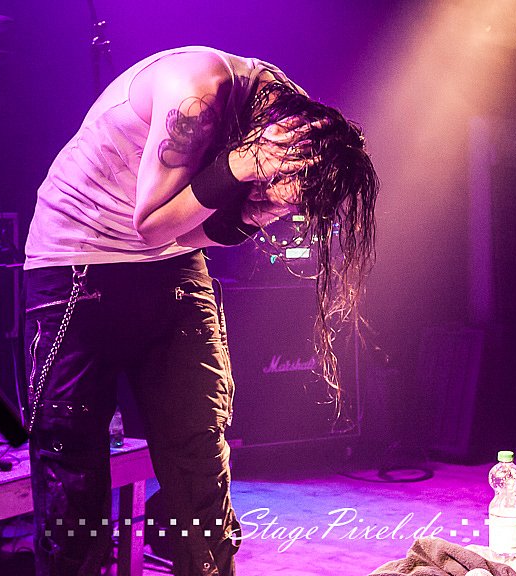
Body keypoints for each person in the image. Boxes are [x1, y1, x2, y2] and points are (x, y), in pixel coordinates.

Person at [22, 46, 377, 575]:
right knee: (71, 469)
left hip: (171, 263)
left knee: (200, 456)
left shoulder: (291, 120)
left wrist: (254, 215)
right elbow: (151, 224)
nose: (279, 200)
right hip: (77, 262)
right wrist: (239, 169)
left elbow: (187, 234)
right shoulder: (198, 92)